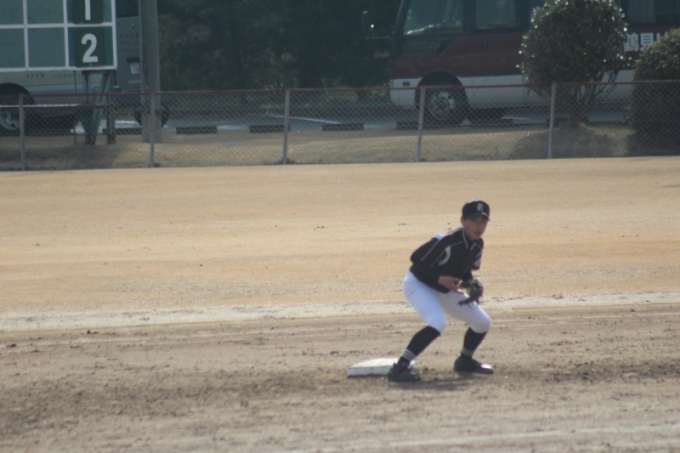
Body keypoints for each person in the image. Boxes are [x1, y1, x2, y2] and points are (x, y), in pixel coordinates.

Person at [387, 200, 494, 382]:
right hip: (418, 284)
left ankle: (464, 360)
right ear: (462, 220)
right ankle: (400, 367)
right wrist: (439, 279)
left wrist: (470, 283)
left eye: (483, 222)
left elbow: (464, 270)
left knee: (483, 322)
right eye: (474, 221)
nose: (479, 226)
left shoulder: (478, 245)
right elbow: (417, 259)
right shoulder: (447, 241)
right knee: (438, 322)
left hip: (445, 288)